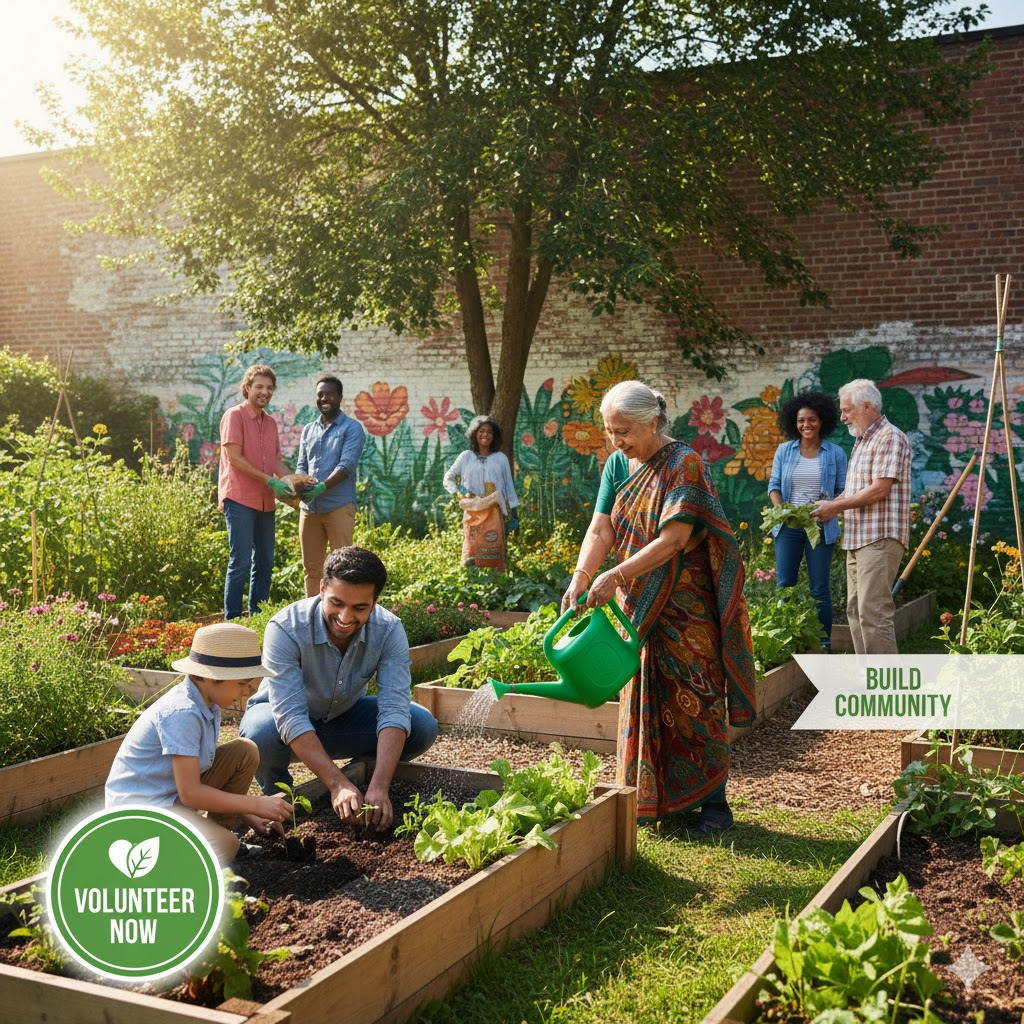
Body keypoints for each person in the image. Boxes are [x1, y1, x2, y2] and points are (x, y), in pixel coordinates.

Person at [561, 381, 755, 835]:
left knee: (695, 701)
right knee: (645, 698)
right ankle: (656, 803)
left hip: (685, 606)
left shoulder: (682, 463)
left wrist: (613, 577)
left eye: (625, 431)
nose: (617, 441)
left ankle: (713, 808)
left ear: (653, 422)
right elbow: (600, 530)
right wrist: (582, 576)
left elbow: (674, 540)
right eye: (610, 431)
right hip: (636, 604)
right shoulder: (616, 465)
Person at [239, 546, 439, 830]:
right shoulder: (285, 628)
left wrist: (379, 785)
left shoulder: (389, 629)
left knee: (421, 725)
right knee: (259, 733)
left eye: (359, 608)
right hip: (281, 727)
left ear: (375, 601)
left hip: (345, 718)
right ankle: (278, 801)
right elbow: (291, 717)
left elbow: (394, 707)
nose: (345, 617)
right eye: (337, 603)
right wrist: (336, 784)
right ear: (321, 589)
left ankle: (364, 777)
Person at [105, 623, 293, 863]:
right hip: (142, 815)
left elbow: (195, 781)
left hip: (169, 799)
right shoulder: (182, 713)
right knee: (225, 845)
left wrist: (249, 815)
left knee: (244, 751)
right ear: (209, 677)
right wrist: (255, 803)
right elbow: (191, 793)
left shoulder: (206, 703)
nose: (246, 691)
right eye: (242, 683)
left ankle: (219, 836)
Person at [811, 378, 912, 654]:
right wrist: (829, 503)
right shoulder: (863, 441)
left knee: (874, 613)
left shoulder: (889, 437)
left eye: (846, 410)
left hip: (879, 537)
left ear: (867, 406)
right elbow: (856, 490)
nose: (842, 417)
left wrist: (835, 508)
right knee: (856, 611)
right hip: (858, 538)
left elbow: (879, 489)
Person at [218, 363, 313, 620]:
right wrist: (270, 482)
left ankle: (258, 619)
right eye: (259, 386)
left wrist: (296, 482)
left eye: (269, 388)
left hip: (265, 503)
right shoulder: (234, 416)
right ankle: (233, 621)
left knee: (265, 563)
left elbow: (275, 462)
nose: (264, 392)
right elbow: (235, 458)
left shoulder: (270, 423)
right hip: (239, 498)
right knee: (240, 562)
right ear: (247, 388)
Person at [767, 391, 848, 652]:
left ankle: (823, 643)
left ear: (822, 420)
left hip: (821, 527)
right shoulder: (784, 451)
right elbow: (774, 486)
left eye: (812, 420)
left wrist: (831, 508)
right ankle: (784, 640)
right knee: (785, 584)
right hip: (788, 527)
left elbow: (844, 490)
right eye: (801, 421)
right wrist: (783, 511)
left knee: (819, 588)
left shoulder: (835, 453)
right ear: (795, 422)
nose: (806, 426)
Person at [295, 375, 366, 597]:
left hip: (338, 507)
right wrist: (298, 483)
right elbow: (302, 464)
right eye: (320, 394)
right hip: (309, 510)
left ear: (339, 398)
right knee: (312, 569)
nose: (324, 398)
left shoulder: (352, 428)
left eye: (329, 394)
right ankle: (312, 615)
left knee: (342, 568)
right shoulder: (309, 429)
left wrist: (321, 488)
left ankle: (342, 612)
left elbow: (347, 465)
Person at [442, 414, 520, 572]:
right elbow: (448, 478)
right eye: (481, 431)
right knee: (472, 553)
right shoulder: (466, 457)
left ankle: (496, 584)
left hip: (495, 513)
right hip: (473, 513)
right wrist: (459, 493)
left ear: (494, 435)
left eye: (489, 432)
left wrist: (514, 514)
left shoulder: (501, 458)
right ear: (474, 434)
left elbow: (509, 488)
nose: (485, 435)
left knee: (493, 552)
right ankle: (472, 582)